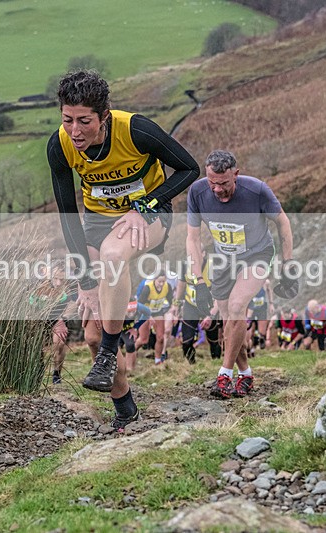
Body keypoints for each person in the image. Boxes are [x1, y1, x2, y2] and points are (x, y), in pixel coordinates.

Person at [47, 70, 199, 430]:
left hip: (149, 214)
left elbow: (188, 169)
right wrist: (85, 281)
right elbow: (69, 217)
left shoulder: (136, 130)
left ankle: (107, 356)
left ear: (104, 116)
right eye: (67, 119)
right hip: (97, 223)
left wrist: (145, 204)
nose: (75, 130)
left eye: (85, 121)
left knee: (115, 256)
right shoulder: (60, 145)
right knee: (94, 332)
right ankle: (125, 408)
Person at [186, 150, 296, 399]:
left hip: (257, 254)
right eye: (212, 182)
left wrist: (288, 266)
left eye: (224, 183)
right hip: (224, 258)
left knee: (236, 308)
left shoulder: (257, 190)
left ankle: (224, 375)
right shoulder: (198, 191)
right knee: (229, 322)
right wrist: (198, 281)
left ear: (236, 174)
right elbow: (192, 239)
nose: (217, 190)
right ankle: (245, 374)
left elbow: (283, 222)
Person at [28, 264, 78, 384]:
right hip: (41, 318)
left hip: (59, 319)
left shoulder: (70, 287)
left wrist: (63, 318)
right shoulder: (40, 285)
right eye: (56, 279)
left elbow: (73, 304)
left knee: (59, 344)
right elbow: (30, 303)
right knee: (36, 345)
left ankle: (56, 374)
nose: (59, 283)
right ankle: (38, 370)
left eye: (62, 279)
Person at [175, 249, 222, 364]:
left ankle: (216, 363)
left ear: (204, 253)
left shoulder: (213, 267)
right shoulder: (185, 265)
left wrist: (211, 315)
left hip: (209, 307)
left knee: (213, 340)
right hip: (190, 305)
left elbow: (220, 294)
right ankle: (191, 365)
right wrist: (176, 304)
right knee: (187, 340)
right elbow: (181, 285)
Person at [137, 274, 172, 364]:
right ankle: (131, 353)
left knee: (160, 338)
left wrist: (172, 311)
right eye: (159, 281)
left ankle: (158, 360)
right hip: (145, 312)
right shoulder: (148, 288)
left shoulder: (167, 287)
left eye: (163, 281)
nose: (161, 284)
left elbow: (171, 301)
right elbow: (139, 304)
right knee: (143, 339)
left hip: (158, 312)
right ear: (154, 280)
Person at [245, 280, 274, 357]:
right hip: (251, 309)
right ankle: (250, 348)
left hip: (261, 308)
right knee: (250, 330)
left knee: (262, 332)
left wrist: (271, 304)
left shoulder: (266, 282)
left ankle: (260, 340)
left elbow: (269, 290)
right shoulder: (249, 282)